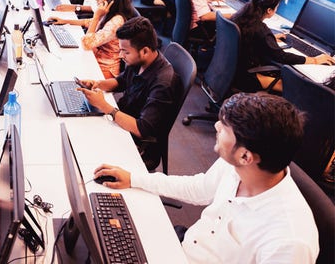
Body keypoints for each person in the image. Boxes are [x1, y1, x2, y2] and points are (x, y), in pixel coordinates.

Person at [94, 92, 319, 263]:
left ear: (246, 156)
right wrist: (134, 178)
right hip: (185, 249)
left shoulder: (289, 242)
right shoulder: (237, 166)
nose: (216, 126)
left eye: (225, 128)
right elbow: (198, 188)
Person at [77, 16, 180, 169]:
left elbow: (142, 129)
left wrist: (105, 107)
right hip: (122, 121)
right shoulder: (139, 60)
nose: (121, 56)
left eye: (125, 52)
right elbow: (122, 81)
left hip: (137, 143)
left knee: (82, 146)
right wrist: (97, 84)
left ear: (144, 51)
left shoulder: (163, 83)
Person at [231, 0, 335, 92]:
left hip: (233, 71)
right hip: (246, 78)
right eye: (276, 7)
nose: (276, 10)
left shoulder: (241, 17)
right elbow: (281, 56)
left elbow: (252, 37)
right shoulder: (260, 30)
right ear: (269, 10)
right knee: (294, 88)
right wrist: (315, 60)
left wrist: (269, 39)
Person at [49, 0, 136, 78]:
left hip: (104, 69)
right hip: (93, 58)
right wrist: (65, 21)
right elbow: (89, 22)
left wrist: (96, 16)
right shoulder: (110, 12)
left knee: (65, 68)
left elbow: (87, 43)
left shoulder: (117, 21)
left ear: (111, 0)